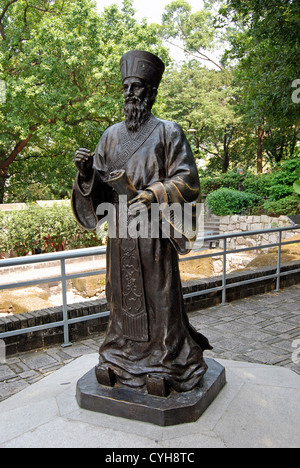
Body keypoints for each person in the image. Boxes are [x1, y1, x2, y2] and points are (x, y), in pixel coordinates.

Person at [72, 50, 212, 396]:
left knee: (158, 297)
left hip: (154, 233)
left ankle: (165, 362)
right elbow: (100, 190)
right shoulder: (110, 137)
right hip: (120, 233)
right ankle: (120, 359)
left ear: (151, 93)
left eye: (137, 87)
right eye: (126, 87)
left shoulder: (168, 132)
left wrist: (155, 193)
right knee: (121, 298)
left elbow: (188, 180)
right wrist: (87, 173)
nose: (130, 94)